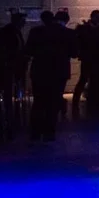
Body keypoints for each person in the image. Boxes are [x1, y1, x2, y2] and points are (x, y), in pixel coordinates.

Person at [24, 11, 72, 142]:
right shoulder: (67, 33)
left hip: (40, 70)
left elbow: (28, 50)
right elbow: (74, 52)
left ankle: (35, 132)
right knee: (54, 102)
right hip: (59, 71)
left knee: (39, 102)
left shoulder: (36, 31)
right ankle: (50, 132)